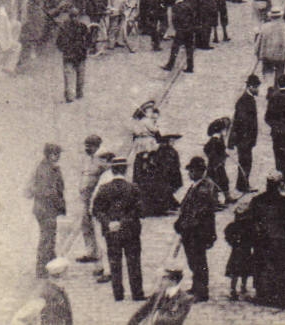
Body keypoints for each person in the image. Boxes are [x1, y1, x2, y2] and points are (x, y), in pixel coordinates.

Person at [91, 157, 145, 302]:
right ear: (125, 170)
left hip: (111, 232)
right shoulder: (133, 188)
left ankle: (118, 294)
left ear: (113, 170)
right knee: (134, 262)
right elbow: (139, 211)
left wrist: (109, 223)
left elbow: (96, 210)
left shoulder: (104, 188)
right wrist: (123, 222)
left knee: (114, 263)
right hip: (131, 231)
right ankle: (137, 293)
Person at [175, 156, 221, 302]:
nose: (189, 173)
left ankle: (201, 291)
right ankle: (196, 287)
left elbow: (199, 212)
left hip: (198, 231)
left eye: (191, 171)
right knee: (194, 260)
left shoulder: (205, 188)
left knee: (198, 260)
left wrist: (184, 225)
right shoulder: (197, 185)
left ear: (199, 171)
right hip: (192, 230)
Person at [248, 171, 285, 308]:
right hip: (280, 237)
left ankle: (263, 293)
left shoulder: (257, 200)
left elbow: (252, 217)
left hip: (262, 237)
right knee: (281, 265)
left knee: (262, 264)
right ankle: (281, 294)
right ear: (279, 185)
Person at [27, 142, 65, 277]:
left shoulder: (49, 167)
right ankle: (43, 269)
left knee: (49, 237)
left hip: (47, 208)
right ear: (50, 155)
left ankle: (51, 266)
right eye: (57, 154)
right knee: (47, 238)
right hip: (46, 208)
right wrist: (58, 203)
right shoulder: (45, 169)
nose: (59, 156)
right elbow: (47, 191)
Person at [74, 134, 106, 265]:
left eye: (90, 146)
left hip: (96, 198)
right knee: (85, 225)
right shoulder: (86, 160)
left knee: (98, 227)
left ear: (97, 146)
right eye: (86, 146)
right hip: (85, 199)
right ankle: (90, 252)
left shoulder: (102, 160)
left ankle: (101, 256)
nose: (87, 149)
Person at [127, 266, 195, 325]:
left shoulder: (185, 299)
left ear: (173, 280)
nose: (160, 282)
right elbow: (141, 312)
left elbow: (174, 320)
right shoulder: (158, 294)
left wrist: (155, 317)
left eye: (164, 278)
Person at [229, 75, 261, 193]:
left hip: (245, 139)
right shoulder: (245, 100)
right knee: (245, 162)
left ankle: (242, 184)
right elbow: (242, 121)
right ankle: (243, 185)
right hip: (244, 139)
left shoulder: (248, 99)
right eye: (257, 87)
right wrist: (247, 139)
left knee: (245, 162)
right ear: (251, 87)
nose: (258, 90)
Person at [223, 199, 259, 301]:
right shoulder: (249, 227)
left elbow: (227, 234)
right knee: (243, 271)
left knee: (237, 271)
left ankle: (235, 288)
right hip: (244, 251)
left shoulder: (236, 226)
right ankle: (239, 287)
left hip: (238, 251)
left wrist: (233, 242)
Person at [55, 10, 92, 101]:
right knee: (79, 74)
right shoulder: (82, 26)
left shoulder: (64, 27)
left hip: (70, 54)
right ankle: (77, 93)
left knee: (70, 75)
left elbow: (58, 42)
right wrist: (85, 48)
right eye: (73, 17)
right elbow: (89, 39)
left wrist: (63, 49)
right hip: (78, 54)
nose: (74, 18)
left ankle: (70, 95)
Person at [254, 8, 285, 83]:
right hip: (280, 56)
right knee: (280, 73)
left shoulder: (264, 27)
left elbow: (258, 41)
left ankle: (269, 87)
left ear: (270, 17)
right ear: (280, 17)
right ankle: (277, 87)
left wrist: (257, 53)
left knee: (267, 72)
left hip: (267, 56)